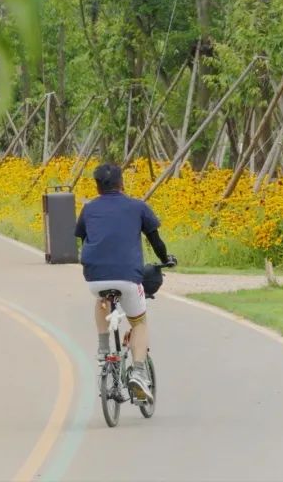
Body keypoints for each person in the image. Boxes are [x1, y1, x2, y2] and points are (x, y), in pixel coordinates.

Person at [75, 163, 176, 401]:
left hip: (95, 277)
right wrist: (166, 259)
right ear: (122, 184)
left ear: (97, 187)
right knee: (139, 322)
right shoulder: (137, 207)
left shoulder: (88, 209)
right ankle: (139, 373)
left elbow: (82, 237)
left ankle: (103, 350)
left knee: (101, 300)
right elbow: (155, 241)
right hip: (128, 277)